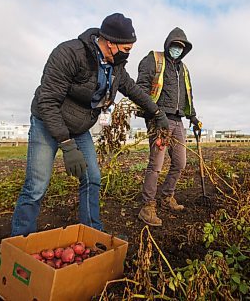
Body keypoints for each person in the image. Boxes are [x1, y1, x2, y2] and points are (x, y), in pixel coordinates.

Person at [11, 13, 169, 236]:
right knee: (36, 185)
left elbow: (134, 90)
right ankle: (20, 240)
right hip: (48, 122)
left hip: (79, 126)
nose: (128, 54)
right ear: (110, 42)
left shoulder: (116, 67)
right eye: (126, 49)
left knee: (92, 178)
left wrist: (157, 113)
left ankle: (92, 233)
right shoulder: (70, 54)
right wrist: (66, 145)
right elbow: (47, 102)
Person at [136, 27, 201, 227]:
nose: (177, 49)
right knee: (156, 165)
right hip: (159, 120)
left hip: (178, 120)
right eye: (175, 45)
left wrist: (194, 117)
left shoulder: (184, 69)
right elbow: (141, 88)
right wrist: (155, 114)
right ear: (168, 44)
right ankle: (147, 206)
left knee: (180, 163)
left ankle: (167, 196)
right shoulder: (154, 60)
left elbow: (187, 96)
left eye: (181, 47)